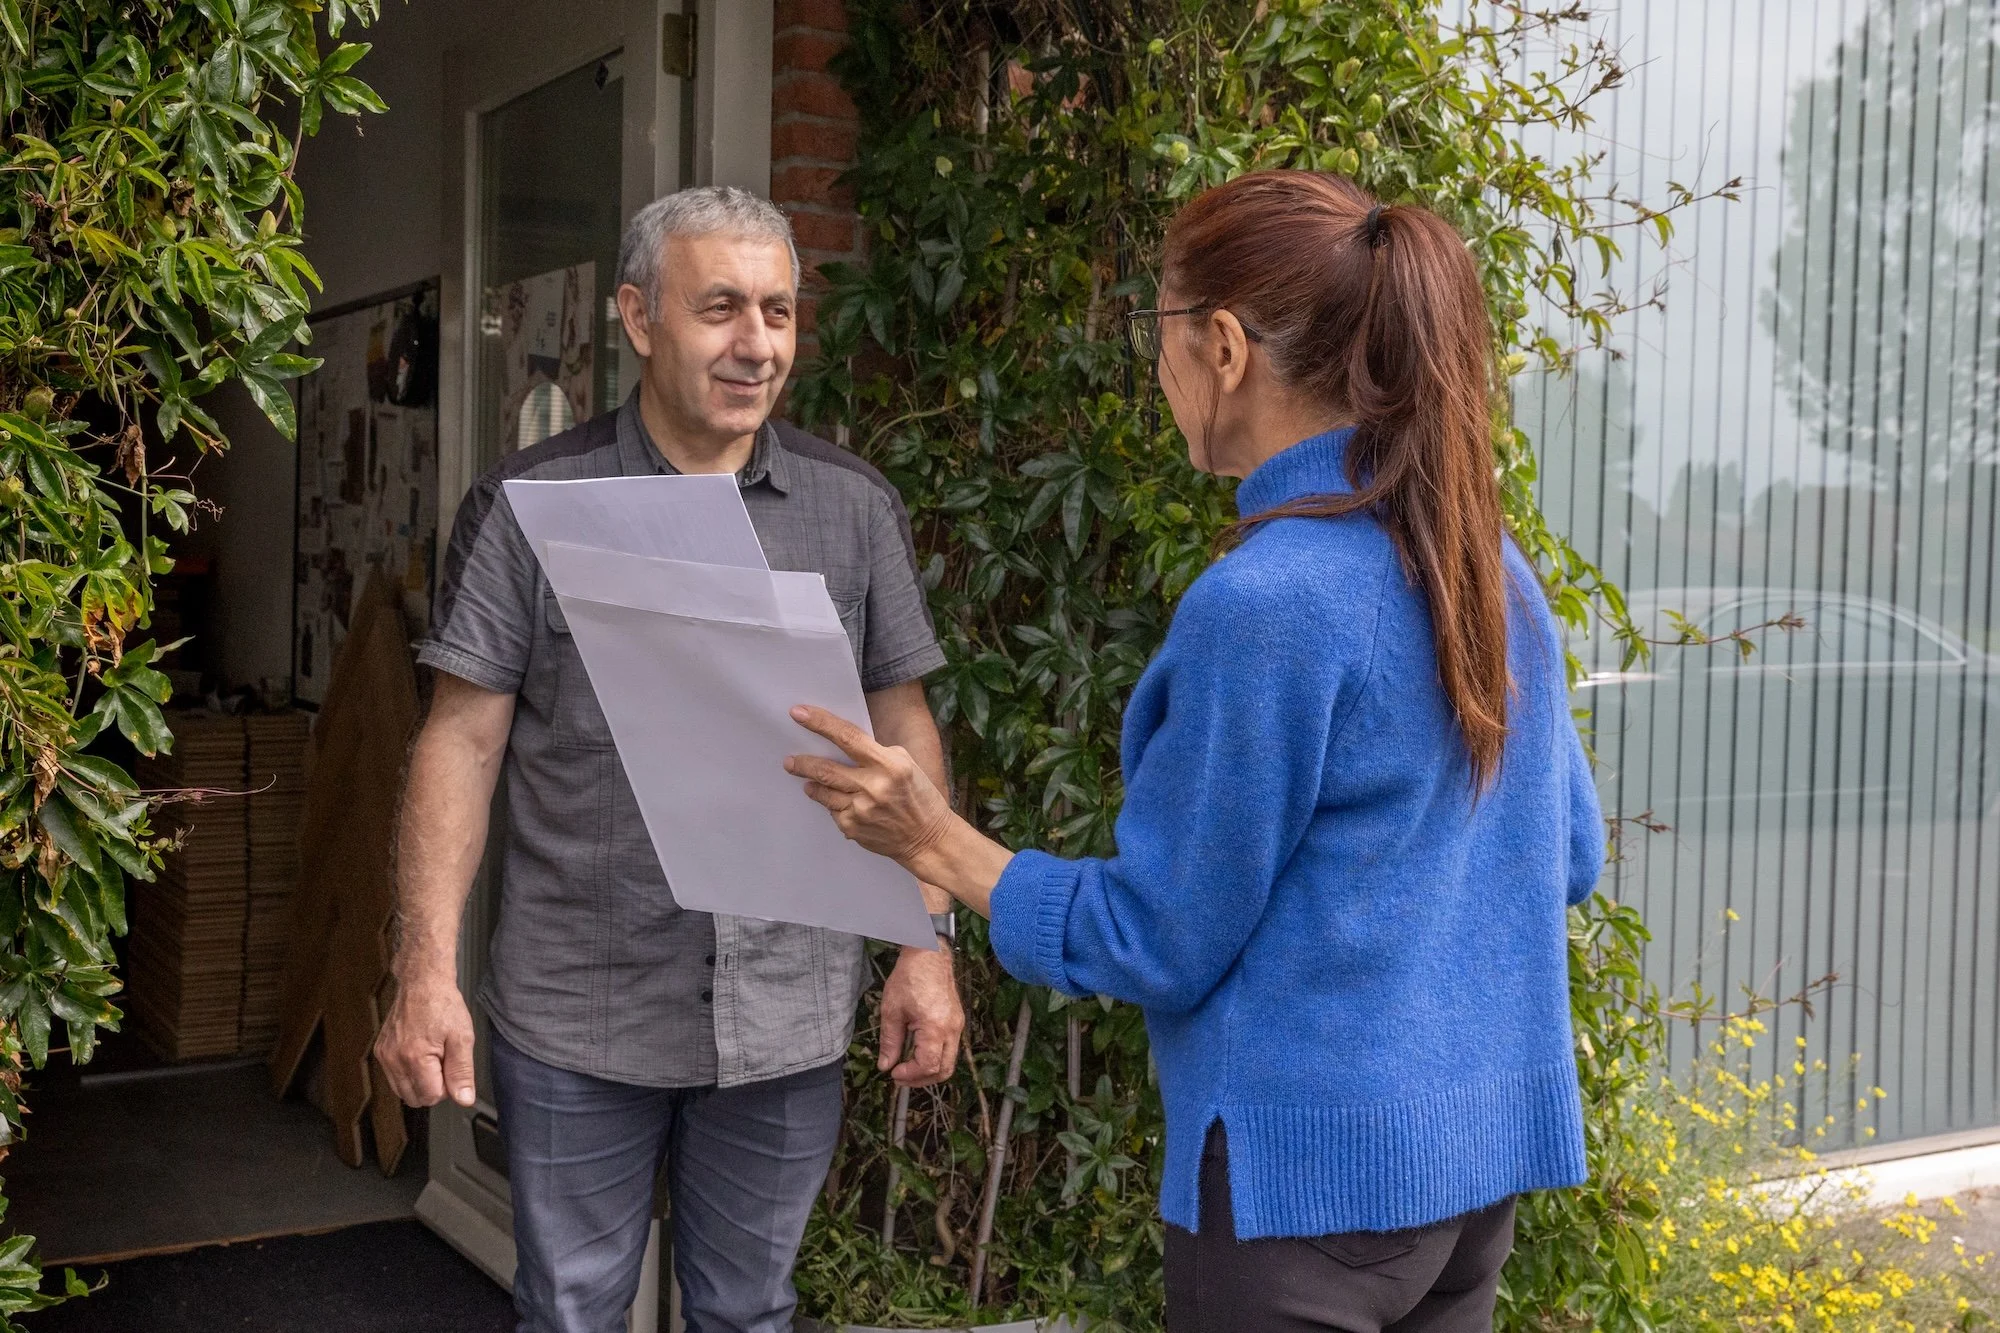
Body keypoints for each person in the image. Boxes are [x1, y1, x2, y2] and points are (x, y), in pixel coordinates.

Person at [785, 169, 1603, 1333]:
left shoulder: (1268, 604)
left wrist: (935, 840)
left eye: (1154, 328)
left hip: (1301, 1200)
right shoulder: (1487, 567)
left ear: (1221, 345)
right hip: (1471, 1183)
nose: (1152, 363)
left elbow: (1158, 936)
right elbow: (1565, 854)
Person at [375, 186, 965, 1333]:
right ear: (638, 318)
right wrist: (424, 969)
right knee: (573, 1309)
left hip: (786, 1006)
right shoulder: (532, 503)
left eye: (779, 313)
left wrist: (925, 943)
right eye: (721, 309)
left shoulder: (851, 511)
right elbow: (462, 738)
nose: (757, 344)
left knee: (749, 1310)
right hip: (579, 1003)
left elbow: (905, 732)